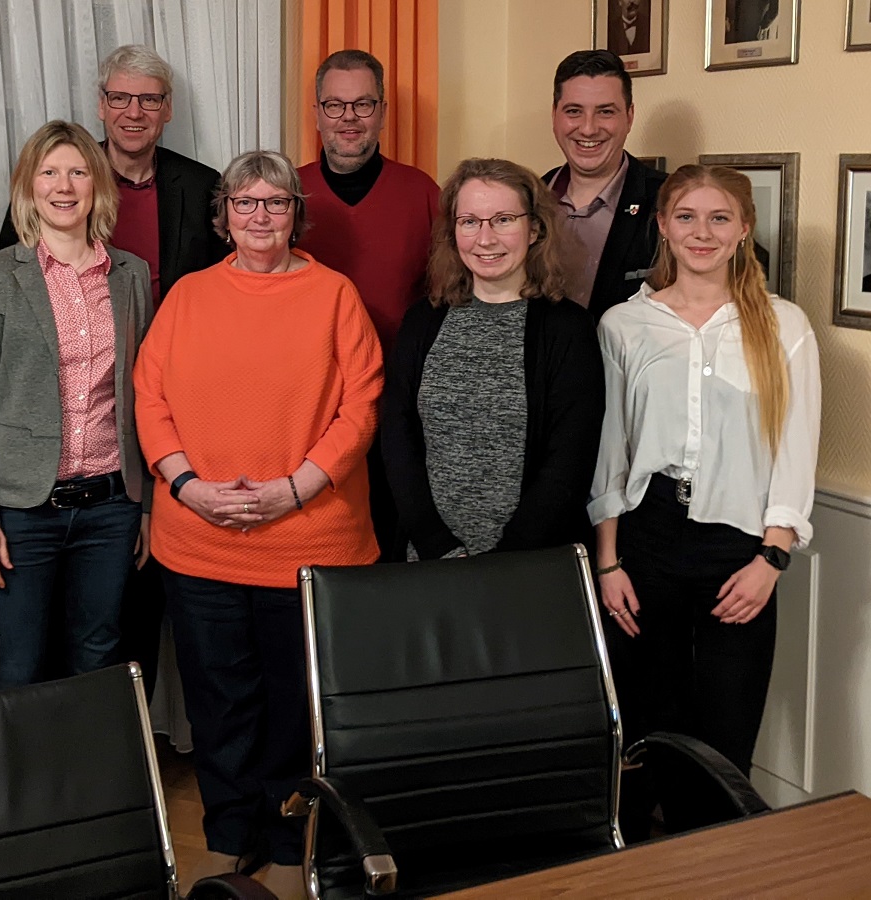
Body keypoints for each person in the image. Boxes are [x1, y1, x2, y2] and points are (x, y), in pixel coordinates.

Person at [133, 150, 382, 895]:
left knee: (291, 704)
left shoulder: (335, 295)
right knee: (219, 701)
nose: (261, 215)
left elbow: (361, 405)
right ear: (224, 216)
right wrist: (184, 484)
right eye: (245, 203)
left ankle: (286, 833)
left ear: (296, 215)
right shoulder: (187, 296)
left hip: (308, 539)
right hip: (200, 539)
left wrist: (297, 489)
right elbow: (150, 400)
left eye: (276, 202)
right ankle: (227, 832)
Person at [589, 165, 820, 826]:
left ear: (745, 229)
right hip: (647, 538)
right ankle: (643, 864)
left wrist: (770, 560)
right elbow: (611, 454)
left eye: (720, 218)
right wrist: (609, 563)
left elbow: (795, 450)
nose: (702, 232)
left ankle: (714, 864)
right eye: (686, 216)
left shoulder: (784, 326)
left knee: (726, 730)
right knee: (646, 723)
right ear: (662, 225)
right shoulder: (623, 327)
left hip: (738, 546)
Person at [0, 45, 226, 693]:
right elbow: (10, 313)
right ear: (101, 105)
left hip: (163, 427)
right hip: (61, 438)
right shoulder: (59, 184)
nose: (134, 112)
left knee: (129, 616)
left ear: (167, 110)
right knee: (30, 645)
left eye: (149, 99)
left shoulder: (200, 185)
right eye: (120, 98)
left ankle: (128, 760)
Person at [0, 120, 153, 690]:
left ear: (97, 185)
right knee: (17, 666)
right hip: (22, 512)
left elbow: (144, 396)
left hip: (111, 508)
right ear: (29, 185)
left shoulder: (131, 274)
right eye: (49, 171)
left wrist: (144, 509)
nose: (63, 185)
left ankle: (81, 782)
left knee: (98, 661)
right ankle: (16, 783)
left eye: (77, 170)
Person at [382, 158, 604, 560]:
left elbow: (569, 461)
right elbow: (398, 439)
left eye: (503, 220)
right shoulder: (422, 321)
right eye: (469, 221)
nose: (485, 239)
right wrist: (439, 547)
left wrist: (503, 562)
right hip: (428, 560)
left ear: (535, 228)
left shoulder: (569, 329)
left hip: (527, 566)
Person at [295, 48, 440, 560]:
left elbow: (445, 298)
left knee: (387, 539)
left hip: (396, 405)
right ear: (315, 112)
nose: (349, 118)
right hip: (307, 407)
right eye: (335, 106)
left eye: (363, 105)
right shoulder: (288, 195)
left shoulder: (422, 192)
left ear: (382, 111)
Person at [545, 49, 666, 321]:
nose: (588, 129)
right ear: (554, 115)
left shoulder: (669, 201)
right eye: (574, 111)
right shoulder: (526, 200)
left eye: (605, 112)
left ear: (630, 117)